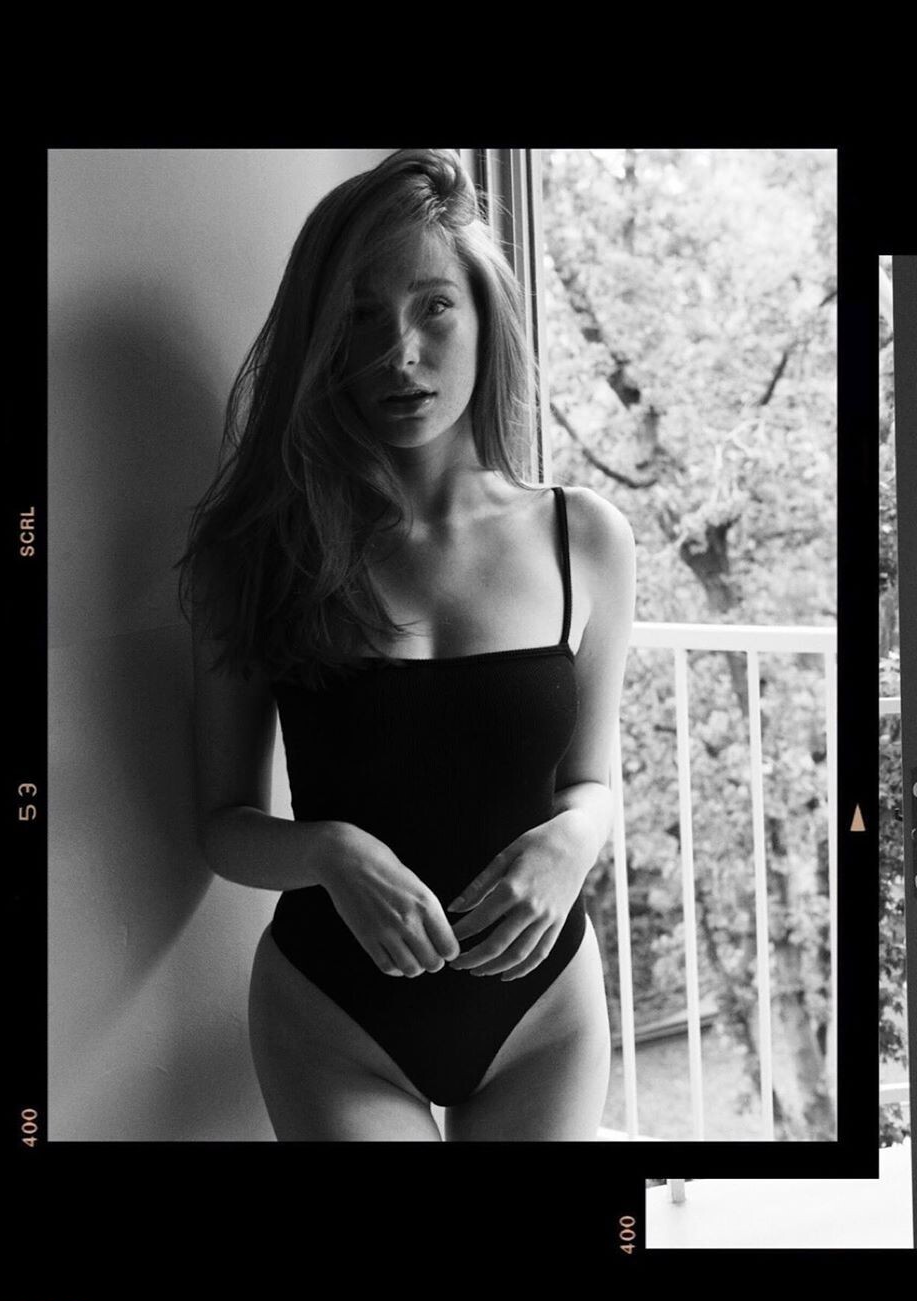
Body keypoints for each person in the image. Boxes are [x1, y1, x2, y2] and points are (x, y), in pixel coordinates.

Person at [177, 148, 635, 1141]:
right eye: (359, 316)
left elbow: (593, 780)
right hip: (335, 1018)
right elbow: (221, 825)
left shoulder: (586, 539)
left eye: (434, 308)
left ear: (484, 316)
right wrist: (329, 851)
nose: (399, 353)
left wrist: (573, 841)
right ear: (320, 339)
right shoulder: (257, 553)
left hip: (544, 1013)